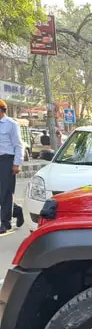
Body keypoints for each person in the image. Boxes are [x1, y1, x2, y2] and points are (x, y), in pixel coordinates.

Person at [0, 100, 25, 233]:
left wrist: (17, 163)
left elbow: (18, 145)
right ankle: (16, 209)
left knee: (5, 192)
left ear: (1, 110)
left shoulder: (11, 124)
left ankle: (5, 223)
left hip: (6, 160)